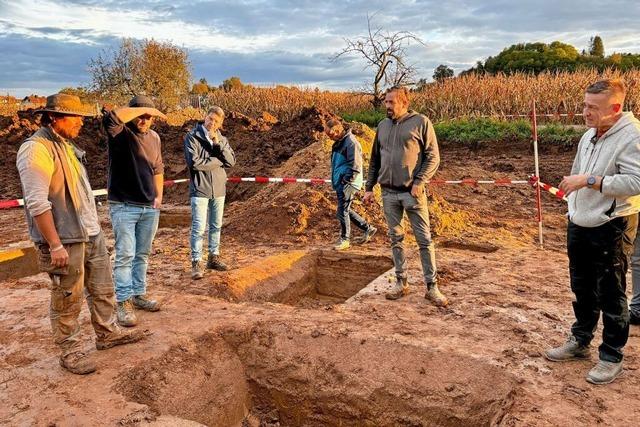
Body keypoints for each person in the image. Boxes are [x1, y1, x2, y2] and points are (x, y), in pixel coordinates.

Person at [16, 93, 146, 374]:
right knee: (67, 296)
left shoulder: (66, 146)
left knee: (102, 288)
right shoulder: (36, 149)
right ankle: (70, 350)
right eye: (75, 118)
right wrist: (54, 244)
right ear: (54, 117)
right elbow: (37, 202)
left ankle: (107, 332)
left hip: (90, 233)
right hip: (65, 239)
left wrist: (95, 230)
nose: (82, 124)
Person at [545, 78, 640, 385]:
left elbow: (636, 183)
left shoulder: (632, 136)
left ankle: (611, 356)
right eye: (584, 104)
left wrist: (590, 181)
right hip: (580, 221)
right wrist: (574, 202)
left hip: (612, 225)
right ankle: (581, 339)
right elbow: (577, 172)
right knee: (582, 286)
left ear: (615, 108)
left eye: (592, 107)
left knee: (611, 292)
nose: (585, 112)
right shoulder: (588, 135)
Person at [363, 86, 448, 307]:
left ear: (403, 102)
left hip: (412, 193)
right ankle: (401, 282)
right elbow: (375, 160)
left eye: (391, 102)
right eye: (386, 102)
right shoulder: (382, 126)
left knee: (424, 240)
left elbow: (433, 157)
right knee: (395, 238)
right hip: (389, 194)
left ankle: (432, 287)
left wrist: (420, 182)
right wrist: (369, 187)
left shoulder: (421, 122)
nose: (387, 106)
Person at [103, 95, 166, 327]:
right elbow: (112, 117)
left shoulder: (155, 138)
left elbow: (158, 168)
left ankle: (139, 294)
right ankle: (124, 301)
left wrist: (158, 197)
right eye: (141, 115)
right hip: (124, 206)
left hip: (149, 207)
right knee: (125, 255)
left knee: (142, 254)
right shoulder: (119, 133)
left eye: (149, 116)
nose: (145, 120)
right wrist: (136, 111)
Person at [184, 106, 236, 279]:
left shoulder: (221, 139)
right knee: (199, 227)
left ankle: (213, 258)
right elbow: (195, 163)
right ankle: (196, 261)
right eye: (210, 119)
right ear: (205, 117)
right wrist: (218, 160)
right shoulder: (192, 137)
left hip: (219, 189)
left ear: (220, 124)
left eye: (216, 121)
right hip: (200, 188)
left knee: (216, 226)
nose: (211, 123)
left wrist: (217, 144)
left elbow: (230, 162)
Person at [325, 118, 376, 250]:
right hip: (343, 181)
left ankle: (345, 239)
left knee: (342, 211)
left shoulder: (350, 143)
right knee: (344, 210)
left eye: (330, 135)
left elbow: (356, 166)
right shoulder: (339, 142)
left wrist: (345, 180)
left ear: (337, 131)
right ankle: (368, 228)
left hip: (349, 182)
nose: (329, 138)